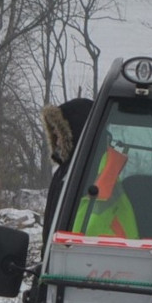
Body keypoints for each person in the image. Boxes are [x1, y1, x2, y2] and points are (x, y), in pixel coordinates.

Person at [40, 98, 94, 246]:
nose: (56, 142)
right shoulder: (63, 173)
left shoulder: (89, 177)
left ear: (75, 133)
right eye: (54, 136)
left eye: (59, 135)